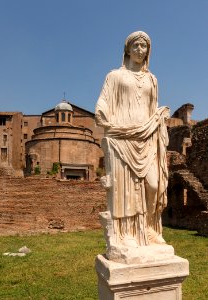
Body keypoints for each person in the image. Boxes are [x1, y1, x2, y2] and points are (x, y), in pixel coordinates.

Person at [95, 31, 169, 247]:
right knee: (123, 187)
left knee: (153, 185)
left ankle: (149, 228)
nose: (139, 50)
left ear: (148, 51)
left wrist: (159, 116)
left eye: (143, 46)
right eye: (135, 45)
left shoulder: (152, 80)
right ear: (127, 49)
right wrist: (102, 112)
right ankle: (126, 232)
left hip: (146, 135)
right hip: (122, 136)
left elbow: (151, 107)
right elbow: (104, 100)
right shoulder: (115, 76)